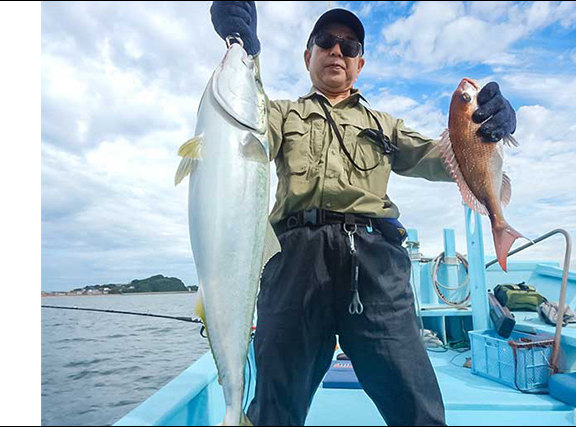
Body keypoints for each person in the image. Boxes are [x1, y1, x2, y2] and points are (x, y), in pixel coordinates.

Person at [210, 2, 517, 426]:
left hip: (374, 262)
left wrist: (485, 131)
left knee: (415, 403)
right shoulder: (278, 114)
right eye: (325, 41)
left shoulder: (385, 124)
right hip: (293, 259)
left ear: (360, 63)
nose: (337, 50)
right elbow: (240, 110)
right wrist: (244, 47)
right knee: (274, 406)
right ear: (308, 56)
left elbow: (446, 159)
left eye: (349, 45)